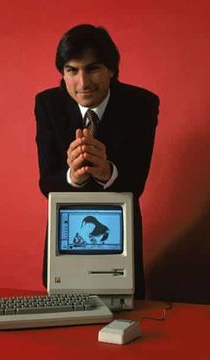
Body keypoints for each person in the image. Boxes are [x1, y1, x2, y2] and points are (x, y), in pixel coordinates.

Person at [34, 24, 160, 299]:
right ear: (63, 73)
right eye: (72, 70)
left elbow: (136, 184)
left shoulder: (141, 104)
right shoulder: (48, 104)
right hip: (65, 238)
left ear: (111, 70)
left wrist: (107, 172)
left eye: (92, 68)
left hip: (121, 241)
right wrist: (72, 177)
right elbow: (47, 183)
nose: (83, 82)